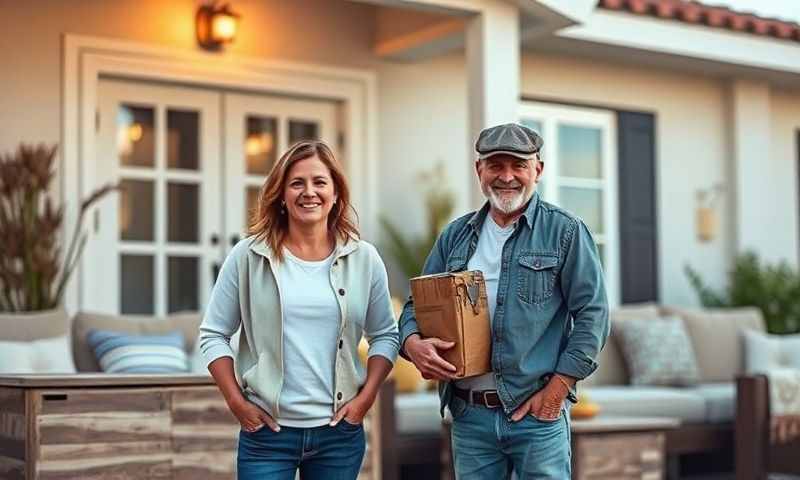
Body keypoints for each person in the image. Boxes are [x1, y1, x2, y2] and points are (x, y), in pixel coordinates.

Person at [399, 123, 609, 479]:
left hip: (538, 415)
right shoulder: (455, 235)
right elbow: (414, 307)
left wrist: (558, 391)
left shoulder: (566, 231)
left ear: (537, 170)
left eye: (519, 165)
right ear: (479, 170)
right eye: (496, 165)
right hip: (470, 418)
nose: (507, 176)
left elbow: (594, 315)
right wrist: (412, 343)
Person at [198, 140, 399, 480]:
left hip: (339, 435)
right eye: (297, 183)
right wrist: (236, 401)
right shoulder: (247, 256)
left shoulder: (364, 258)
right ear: (281, 194)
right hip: (267, 435)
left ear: (336, 193)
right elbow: (214, 333)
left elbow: (385, 335)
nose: (309, 192)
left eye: (319, 182)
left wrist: (366, 398)